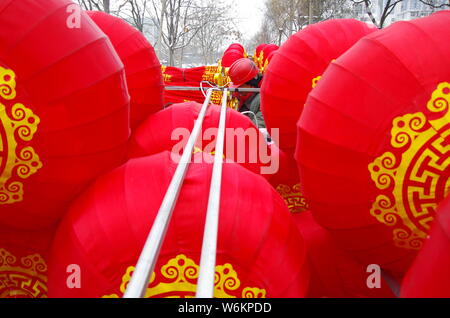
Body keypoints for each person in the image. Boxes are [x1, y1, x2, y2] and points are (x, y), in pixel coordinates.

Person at [228, 58, 266, 130]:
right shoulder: (247, 96)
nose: (237, 90)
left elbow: (256, 128)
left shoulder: (264, 101)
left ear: (251, 84)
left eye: (240, 86)